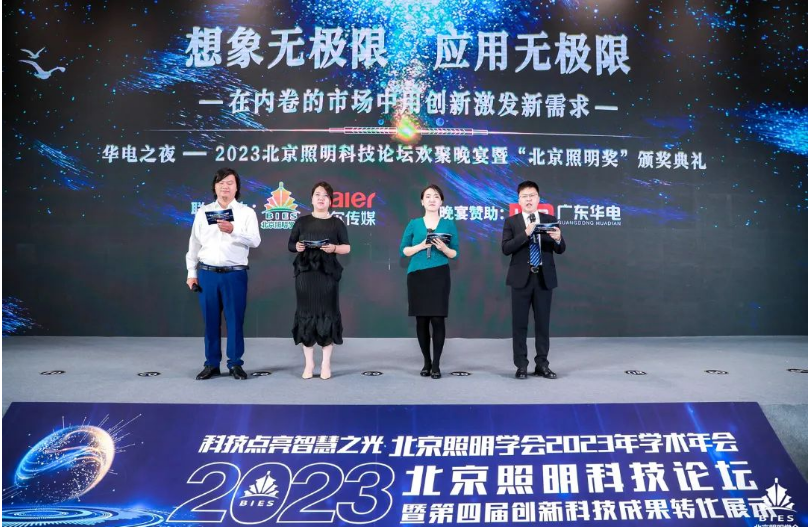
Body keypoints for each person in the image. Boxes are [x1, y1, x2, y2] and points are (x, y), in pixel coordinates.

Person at [186, 167, 261, 380]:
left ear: (237, 188)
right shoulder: (203, 212)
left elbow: (255, 241)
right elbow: (194, 243)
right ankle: (211, 364)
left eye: (229, 183)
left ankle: (235, 363)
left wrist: (233, 230)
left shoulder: (246, 213)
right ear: (214, 187)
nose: (225, 186)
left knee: (235, 321)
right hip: (207, 273)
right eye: (220, 183)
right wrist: (191, 272)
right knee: (210, 321)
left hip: (234, 274)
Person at [501, 181, 565, 380]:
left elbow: (560, 249)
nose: (528, 199)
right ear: (519, 200)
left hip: (544, 278)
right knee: (519, 324)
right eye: (524, 196)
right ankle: (521, 365)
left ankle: (542, 364)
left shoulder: (550, 220)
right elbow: (506, 248)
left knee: (542, 324)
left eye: (532, 195)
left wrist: (558, 238)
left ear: (538, 198)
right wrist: (526, 233)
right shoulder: (512, 222)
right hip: (521, 279)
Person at [288, 182, 350, 380]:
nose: (321, 198)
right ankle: (309, 364)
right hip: (305, 275)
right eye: (317, 194)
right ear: (312, 199)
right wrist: (298, 247)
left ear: (330, 200)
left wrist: (334, 248)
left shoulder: (336, 223)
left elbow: (347, 247)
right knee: (306, 315)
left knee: (327, 315)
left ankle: (325, 363)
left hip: (327, 275)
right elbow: (291, 244)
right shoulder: (302, 222)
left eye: (325, 195)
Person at [399, 184, 459, 379]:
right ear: (422, 201)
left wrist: (443, 248)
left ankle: (436, 364)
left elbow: (455, 253)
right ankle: (426, 361)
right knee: (421, 320)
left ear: (441, 201)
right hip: (417, 275)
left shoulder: (448, 224)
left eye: (436, 196)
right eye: (428, 196)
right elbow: (404, 251)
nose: (432, 199)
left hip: (439, 275)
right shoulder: (414, 224)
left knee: (438, 319)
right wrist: (421, 245)